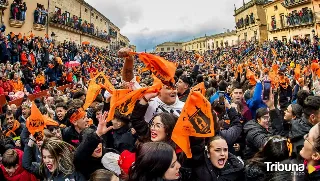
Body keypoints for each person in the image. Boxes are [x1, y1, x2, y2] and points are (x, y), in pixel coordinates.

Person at [119, 47, 184, 122]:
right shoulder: (150, 101)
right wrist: (129, 58)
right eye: (168, 88)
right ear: (158, 92)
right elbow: (128, 77)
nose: (174, 91)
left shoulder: (185, 107)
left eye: (174, 87)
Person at [74, 111, 113, 180]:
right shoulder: (82, 163)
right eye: (93, 145)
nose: (97, 146)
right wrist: (97, 134)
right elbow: (78, 156)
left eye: (98, 142)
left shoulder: (110, 154)